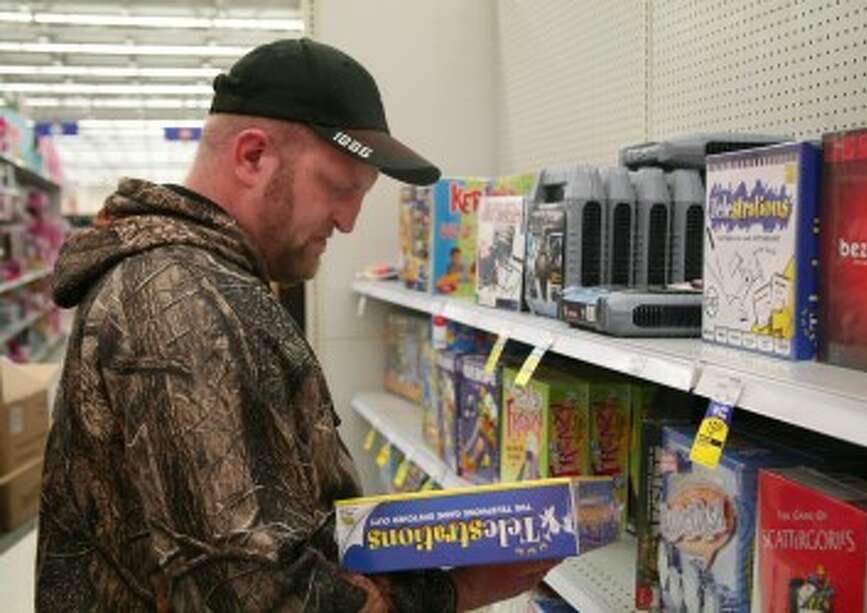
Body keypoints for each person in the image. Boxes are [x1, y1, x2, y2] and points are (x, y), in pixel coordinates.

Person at [36, 37, 555, 612]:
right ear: (253, 157)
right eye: (339, 188)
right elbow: (257, 595)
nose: (350, 222)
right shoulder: (185, 301)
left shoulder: (198, 282)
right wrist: (458, 589)